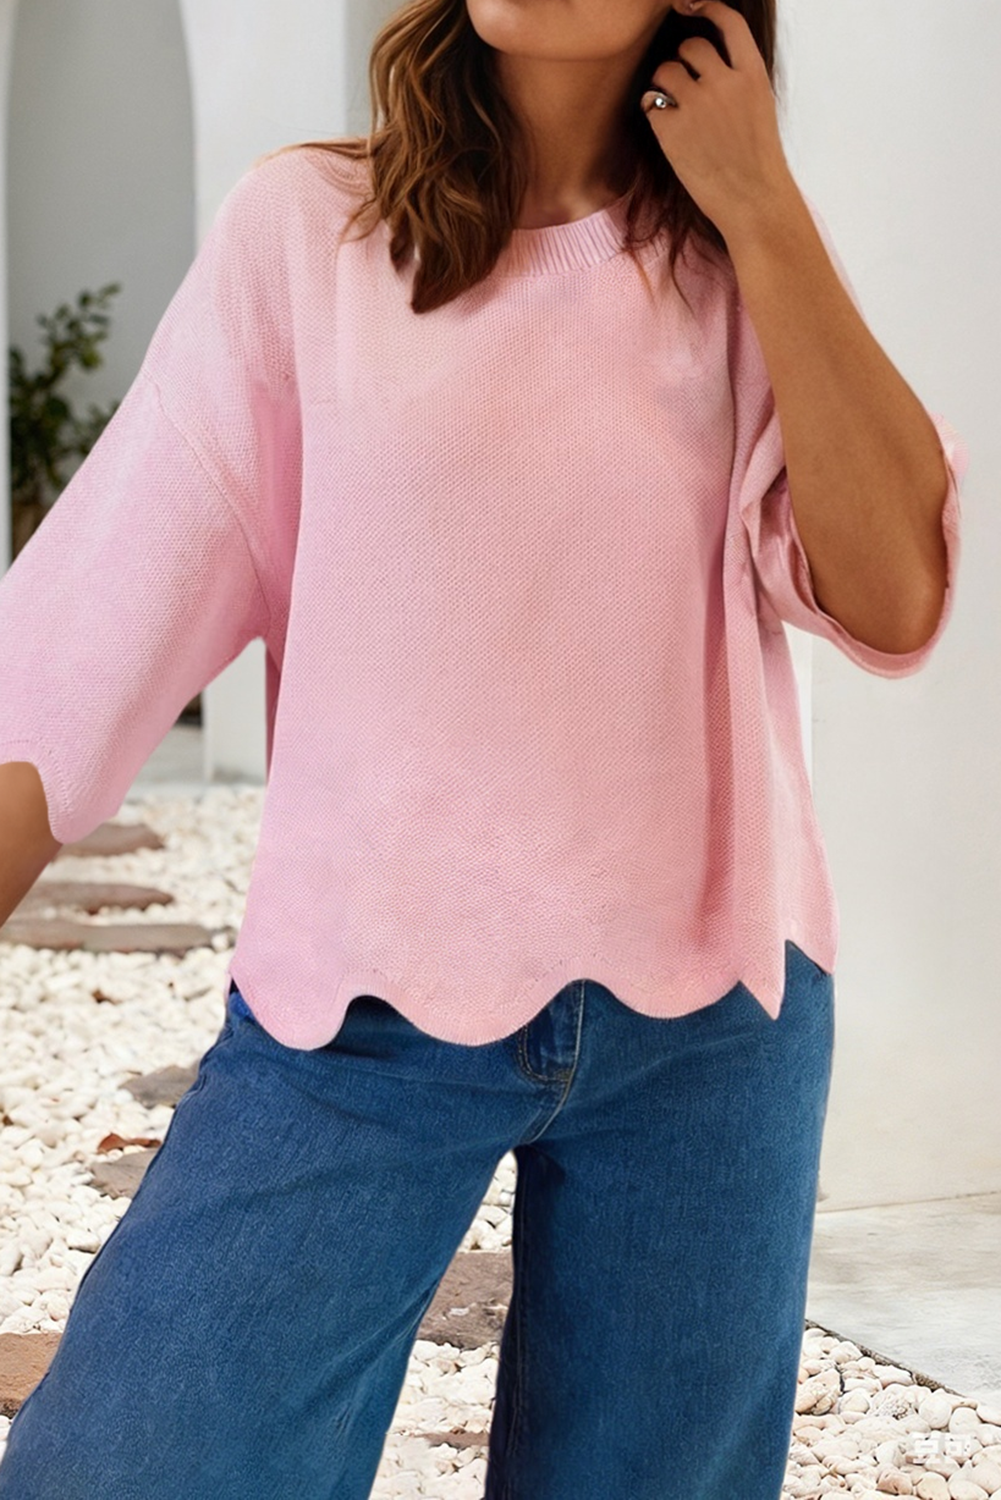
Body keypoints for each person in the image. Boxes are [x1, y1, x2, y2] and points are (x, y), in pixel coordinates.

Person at [0, 0, 967, 1496]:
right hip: (364, 1012)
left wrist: (766, 208)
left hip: (714, 1021)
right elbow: (88, 630)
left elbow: (893, 597)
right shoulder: (307, 236)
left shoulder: (737, 257)